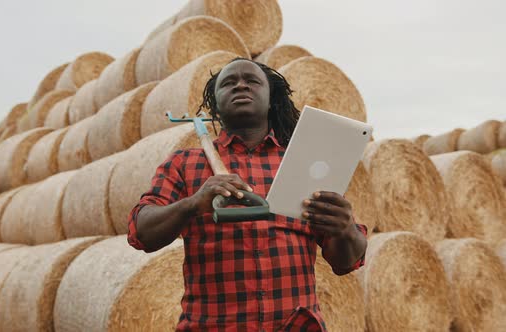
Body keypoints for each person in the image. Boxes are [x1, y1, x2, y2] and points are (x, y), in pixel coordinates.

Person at [127, 58, 368, 332]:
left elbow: (345, 262)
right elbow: (140, 231)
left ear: (271, 99)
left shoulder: (304, 164)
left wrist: (345, 228)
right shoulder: (184, 163)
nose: (240, 85)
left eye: (252, 81)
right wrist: (193, 204)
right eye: (228, 83)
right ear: (215, 104)